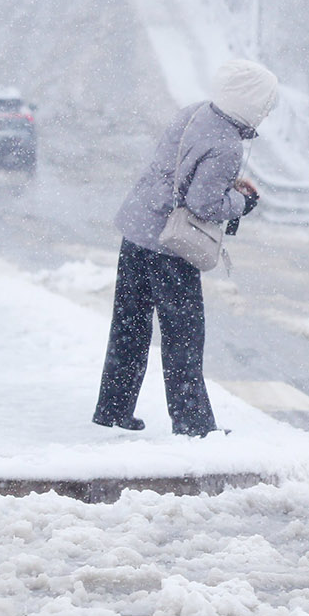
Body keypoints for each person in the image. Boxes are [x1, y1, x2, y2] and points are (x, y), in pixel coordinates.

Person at [93, 60, 278, 436]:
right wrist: (242, 204)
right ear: (251, 103)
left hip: (138, 229)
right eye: (266, 105)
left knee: (130, 327)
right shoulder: (227, 143)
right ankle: (193, 424)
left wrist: (222, 185)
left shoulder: (194, 112)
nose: (266, 113)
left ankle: (112, 412)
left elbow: (178, 168)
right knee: (184, 336)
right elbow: (203, 205)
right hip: (169, 248)